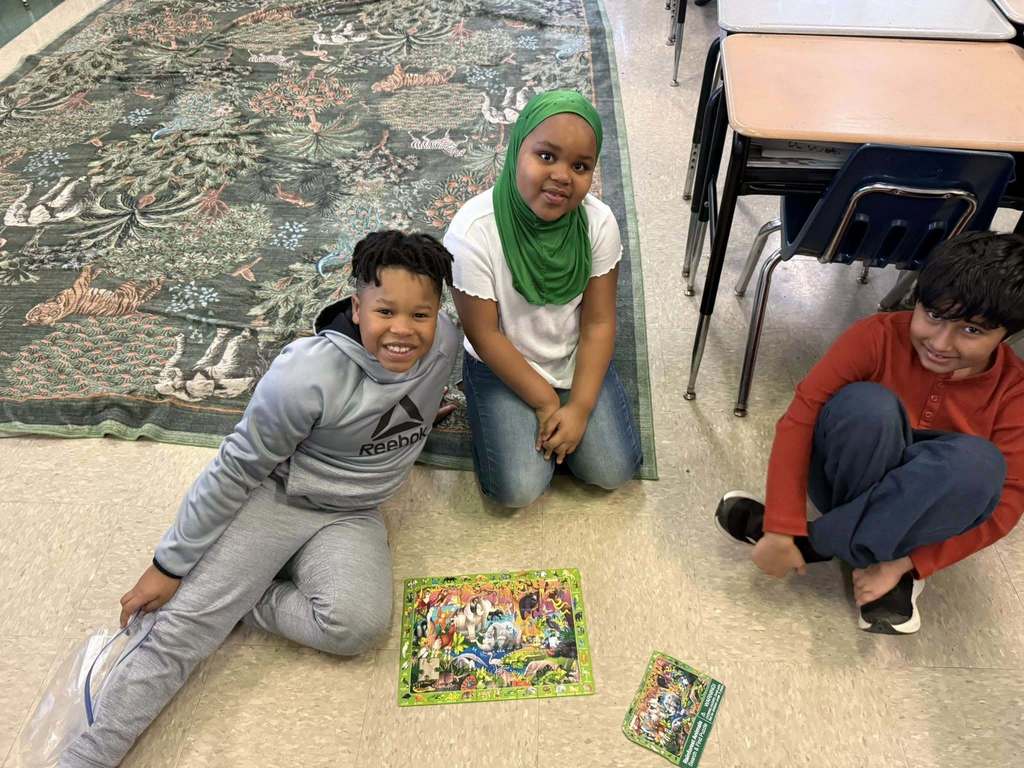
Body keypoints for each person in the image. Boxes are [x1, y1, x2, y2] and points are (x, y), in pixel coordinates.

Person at [61, 231, 459, 766]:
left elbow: (418, 385)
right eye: (385, 311)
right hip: (277, 497)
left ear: (437, 313)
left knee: (357, 627)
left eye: (420, 315)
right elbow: (234, 469)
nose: (403, 330)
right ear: (356, 306)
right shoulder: (304, 375)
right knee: (182, 633)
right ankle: (88, 755)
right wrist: (168, 565)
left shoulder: (445, 342)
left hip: (354, 512)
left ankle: (240, 597)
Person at [716, 232, 1024, 634]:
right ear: (917, 299)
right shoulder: (875, 335)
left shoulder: (1014, 391)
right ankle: (870, 554)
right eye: (933, 315)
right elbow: (800, 418)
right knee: (867, 406)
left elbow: (1008, 504)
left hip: (924, 514)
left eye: (971, 331)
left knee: (980, 466)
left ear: (1006, 336)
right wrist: (781, 521)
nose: (940, 342)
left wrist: (907, 562)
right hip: (845, 473)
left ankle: (819, 544)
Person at [444, 89, 642, 509]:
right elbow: (484, 335)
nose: (562, 176)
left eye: (580, 166)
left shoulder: (598, 223)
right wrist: (547, 402)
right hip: (501, 361)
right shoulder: (472, 232)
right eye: (546, 156)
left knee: (612, 470)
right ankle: (517, 419)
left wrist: (581, 408)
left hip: (571, 354)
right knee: (517, 490)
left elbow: (598, 322)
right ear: (516, 150)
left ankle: (562, 430)